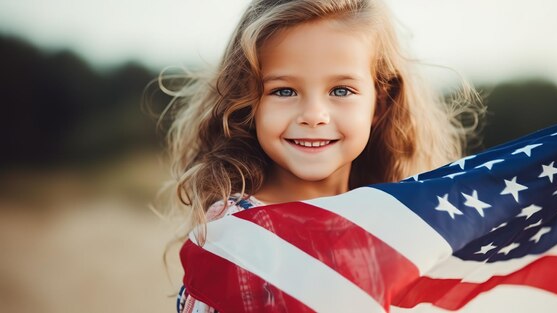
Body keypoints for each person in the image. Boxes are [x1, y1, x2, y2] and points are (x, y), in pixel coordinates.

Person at [161, 0, 481, 312]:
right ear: (249, 101)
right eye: (284, 91)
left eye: (340, 91)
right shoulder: (236, 233)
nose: (314, 116)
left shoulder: (397, 223)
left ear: (379, 103)